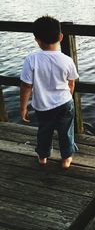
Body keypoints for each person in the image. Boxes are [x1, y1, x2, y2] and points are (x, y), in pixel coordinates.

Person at [20, 15, 79, 169]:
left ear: (37, 39)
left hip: (42, 106)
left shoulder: (31, 60)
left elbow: (26, 86)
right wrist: (68, 97)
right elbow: (71, 83)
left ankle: (43, 157)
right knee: (66, 132)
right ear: (60, 37)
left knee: (44, 131)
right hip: (65, 103)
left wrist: (23, 107)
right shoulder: (67, 60)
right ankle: (66, 158)